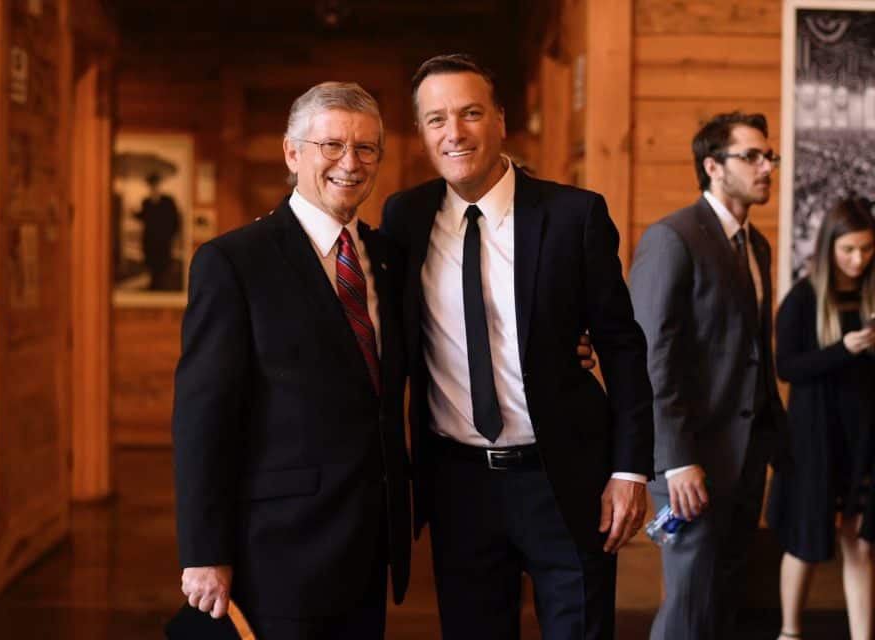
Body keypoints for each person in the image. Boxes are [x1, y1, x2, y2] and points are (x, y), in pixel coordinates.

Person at [381, 53, 654, 640]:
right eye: (436, 119)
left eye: (470, 113)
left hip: (562, 477)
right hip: (458, 485)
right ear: (422, 133)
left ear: (500, 120)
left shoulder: (573, 215)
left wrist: (631, 470)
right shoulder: (404, 220)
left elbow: (623, 347)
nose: (454, 132)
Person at [171, 81, 411, 640]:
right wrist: (205, 553)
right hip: (275, 548)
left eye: (366, 149)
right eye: (330, 145)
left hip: (371, 542)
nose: (349, 163)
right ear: (292, 153)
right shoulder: (232, 262)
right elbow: (203, 420)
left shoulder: (391, 259)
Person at [628, 111, 789, 639]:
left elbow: (750, 355)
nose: (767, 166)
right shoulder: (672, 238)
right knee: (690, 607)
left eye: (770, 156)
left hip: (745, 458)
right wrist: (676, 461)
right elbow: (653, 358)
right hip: (688, 463)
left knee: (723, 603)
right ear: (713, 167)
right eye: (753, 156)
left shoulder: (756, 244)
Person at [767, 197, 875, 640]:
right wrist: (841, 351)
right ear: (829, 247)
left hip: (865, 438)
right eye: (849, 249)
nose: (858, 259)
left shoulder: (871, 293)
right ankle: (789, 632)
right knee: (805, 541)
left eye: (867, 250)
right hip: (816, 438)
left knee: (863, 542)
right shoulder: (803, 297)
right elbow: (786, 368)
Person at [136, 172, 180, 290]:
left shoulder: (167, 201)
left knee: (162, 265)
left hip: (163, 240)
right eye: (151, 185)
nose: (153, 187)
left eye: (155, 184)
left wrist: (172, 236)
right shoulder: (146, 202)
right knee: (152, 263)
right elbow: (145, 217)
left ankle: (160, 286)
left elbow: (175, 219)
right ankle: (154, 286)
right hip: (150, 240)